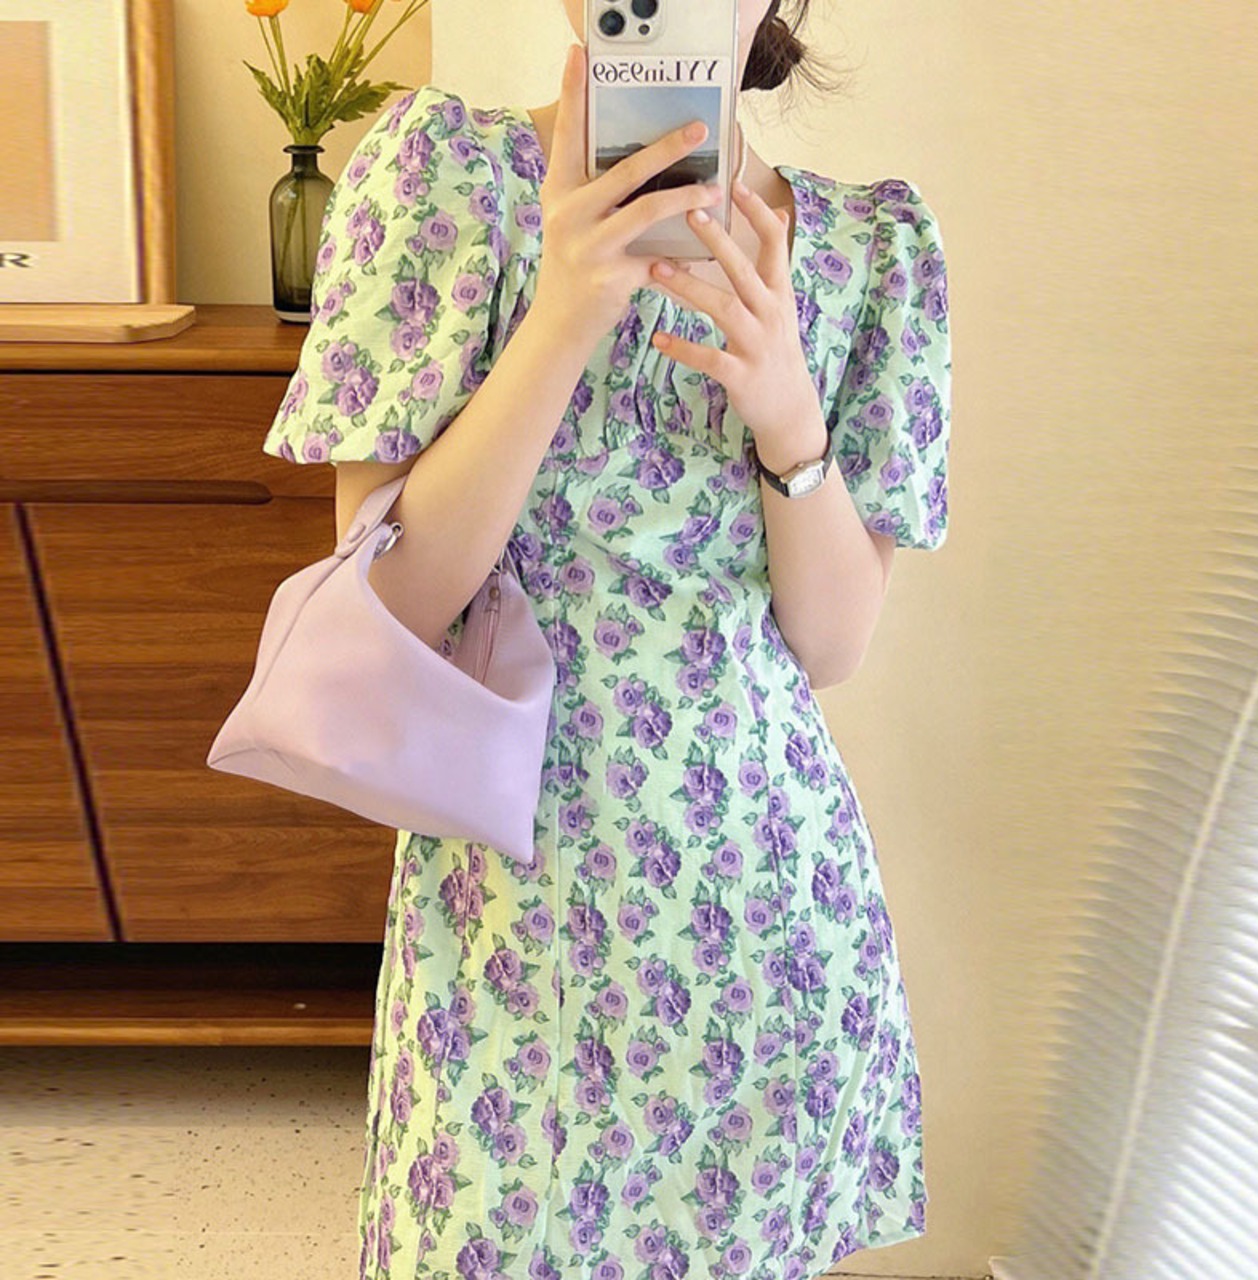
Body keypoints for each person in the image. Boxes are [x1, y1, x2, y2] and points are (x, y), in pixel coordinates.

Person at [261, 0, 950, 1276]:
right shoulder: (442, 178)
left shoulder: (871, 247)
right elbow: (396, 601)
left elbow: (830, 643)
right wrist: (563, 314)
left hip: (767, 917)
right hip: (509, 914)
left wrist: (786, 413)